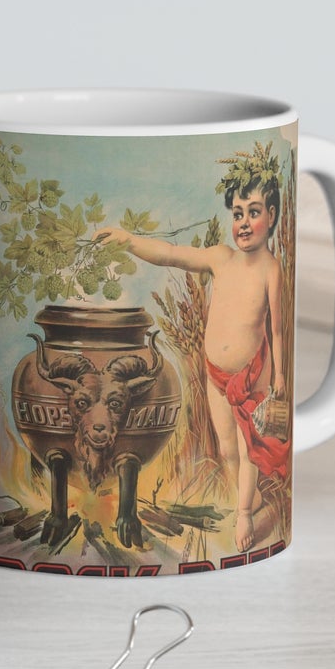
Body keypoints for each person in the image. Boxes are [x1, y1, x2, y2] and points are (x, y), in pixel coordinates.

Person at [95, 151, 288, 553]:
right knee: (226, 447)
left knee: (249, 445)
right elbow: (171, 255)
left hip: (251, 374)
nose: (244, 222)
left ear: (271, 213)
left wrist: (281, 377)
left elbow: (278, 327)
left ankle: (244, 515)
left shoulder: (271, 268)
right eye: (237, 214)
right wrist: (130, 242)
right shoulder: (221, 258)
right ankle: (245, 497)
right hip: (214, 373)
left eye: (253, 212)